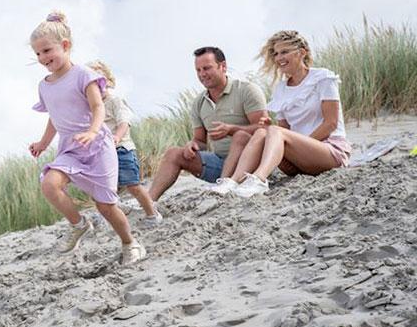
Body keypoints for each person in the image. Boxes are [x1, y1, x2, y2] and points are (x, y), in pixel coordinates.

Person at [28, 12, 147, 265]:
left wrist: (93, 131)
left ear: (65, 46)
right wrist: (43, 143)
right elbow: (54, 118)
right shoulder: (45, 85)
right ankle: (79, 224)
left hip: (97, 147)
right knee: (49, 184)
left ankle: (130, 243)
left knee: (105, 206)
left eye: (47, 50)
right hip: (70, 148)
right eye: (37, 53)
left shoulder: (84, 74)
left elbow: (98, 108)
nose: (42, 58)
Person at [228, 31, 351, 197]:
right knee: (262, 132)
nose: (279, 58)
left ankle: (259, 179)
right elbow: (284, 131)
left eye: (284, 52)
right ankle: (234, 181)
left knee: (275, 132)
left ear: (301, 52)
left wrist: (301, 144)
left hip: (329, 152)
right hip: (299, 163)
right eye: (276, 53)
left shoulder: (323, 78)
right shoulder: (281, 89)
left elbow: (331, 124)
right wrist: (270, 129)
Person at [147, 46, 269, 201]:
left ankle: (229, 183)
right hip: (219, 164)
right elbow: (200, 140)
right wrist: (193, 145)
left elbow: (264, 129)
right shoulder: (199, 103)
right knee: (173, 153)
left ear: (223, 66)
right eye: (198, 70)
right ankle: (149, 201)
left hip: (249, 164)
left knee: (240, 135)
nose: (202, 74)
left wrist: (232, 129)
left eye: (207, 68)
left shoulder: (246, 90)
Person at [86, 60, 162, 226]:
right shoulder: (90, 107)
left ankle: (152, 213)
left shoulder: (115, 102)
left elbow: (124, 122)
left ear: (108, 81)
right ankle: (107, 213)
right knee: (100, 187)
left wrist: (117, 137)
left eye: (100, 79)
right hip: (102, 153)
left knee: (132, 185)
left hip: (122, 149)